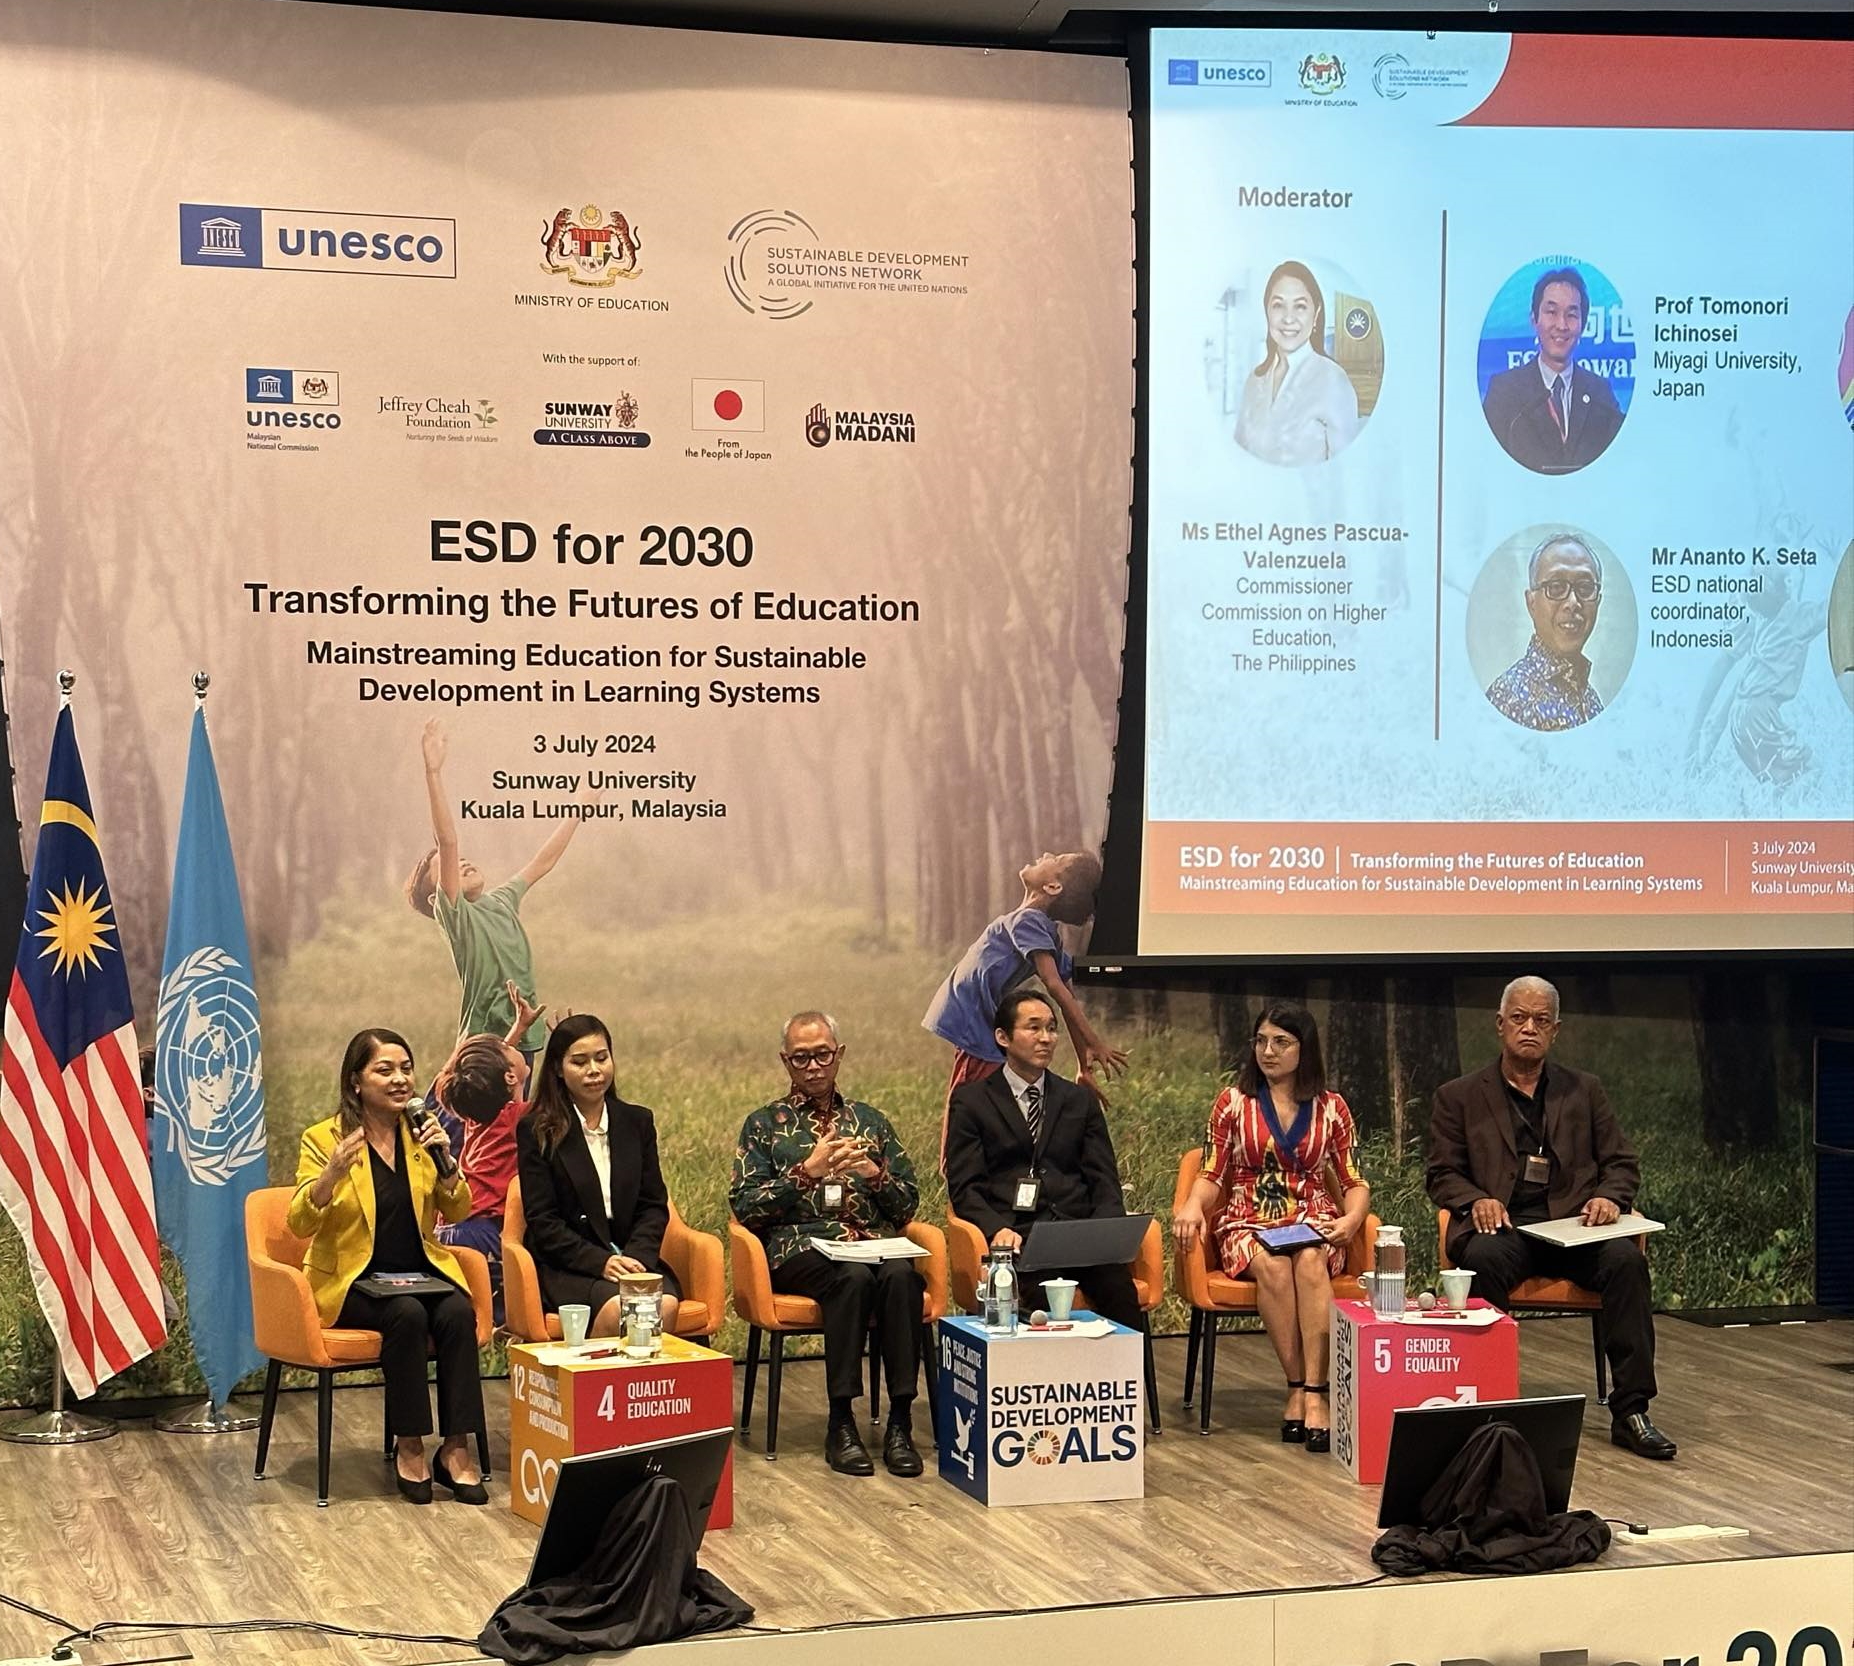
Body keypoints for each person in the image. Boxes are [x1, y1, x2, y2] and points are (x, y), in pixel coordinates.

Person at [1427, 976, 1675, 1460]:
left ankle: (1631, 1412)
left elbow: (1622, 1163)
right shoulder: (1459, 1096)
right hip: (1504, 1230)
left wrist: (1608, 1197)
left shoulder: (1584, 1091)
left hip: (1573, 1230)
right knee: (1481, 1259)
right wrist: (1475, 1200)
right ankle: (1491, 1406)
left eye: (1541, 1020)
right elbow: (1441, 1173)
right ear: (1500, 1025)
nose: (1529, 1028)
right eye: (1519, 1018)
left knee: (1626, 1262)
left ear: (1555, 1031)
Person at [287, 1028, 488, 1504]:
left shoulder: (422, 1134)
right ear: (356, 1081)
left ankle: (456, 1448)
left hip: (419, 1272)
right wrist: (331, 1174)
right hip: (353, 1281)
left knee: (457, 1313)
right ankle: (410, 1445)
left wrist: (447, 1163)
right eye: (385, 1070)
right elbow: (298, 1221)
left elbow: (458, 1210)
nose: (400, 1080)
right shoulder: (324, 1138)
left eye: (406, 1069)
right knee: (407, 1315)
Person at [729, 1012, 926, 1477]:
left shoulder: (870, 1121)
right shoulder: (764, 1125)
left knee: (902, 1277)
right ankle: (841, 1422)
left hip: (873, 1244)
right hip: (800, 1250)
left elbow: (907, 1206)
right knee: (851, 1279)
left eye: (822, 1055)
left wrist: (873, 1174)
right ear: (786, 1061)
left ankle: (900, 1422)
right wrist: (807, 1173)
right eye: (801, 1058)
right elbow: (746, 1207)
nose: (813, 1066)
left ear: (839, 1055)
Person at [1173, 1001, 1369, 1453]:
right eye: (1261, 1041)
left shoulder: (1332, 1107)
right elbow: (1211, 1173)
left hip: (1313, 1219)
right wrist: (1192, 1205)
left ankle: (1316, 1392)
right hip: (1248, 1221)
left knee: (1310, 1257)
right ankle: (1297, 1385)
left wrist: (1351, 1219)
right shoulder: (1232, 1103)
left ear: (1304, 1049)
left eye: (1281, 1042)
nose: (1268, 1051)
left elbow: (1354, 1181)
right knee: (1274, 1266)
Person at [943, 989, 1146, 1335]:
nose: (1046, 1038)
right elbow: (965, 1187)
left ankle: (1131, 1371)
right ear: (1003, 1037)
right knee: (1036, 1306)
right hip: (1018, 1241)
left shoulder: (1078, 1099)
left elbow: (1104, 1180)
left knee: (1119, 1293)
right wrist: (995, 1229)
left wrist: (1103, 1234)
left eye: (1052, 1028)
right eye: (1033, 1027)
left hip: (1078, 1238)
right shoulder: (972, 1101)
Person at [923, 849, 1127, 1158]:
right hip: (982, 1034)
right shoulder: (1041, 928)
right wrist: (1083, 1064)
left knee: (965, 1122)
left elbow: (1057, 987)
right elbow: (1067, 995)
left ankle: (960, 1180)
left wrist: (1093, 1042)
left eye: (1055, 859)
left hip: (977, 1033)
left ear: (1053, 887)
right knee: (991, 1118)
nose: (1045, 854)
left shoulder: (1028, 921)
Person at [409, 717, 578, 1054]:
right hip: (484, 1043)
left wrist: (579, 807)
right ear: (436, 898)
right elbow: (448, 840)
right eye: (448, 867)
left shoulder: (501, 900)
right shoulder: (456, 915)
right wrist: (433, 773)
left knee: (520, 1092)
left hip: (525, 1035)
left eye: (462, 859)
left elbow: (543, 861)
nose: (461, 863)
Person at [515, 1014, 682, 1342]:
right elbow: (543, 1221)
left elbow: (652, 1205)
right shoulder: (537, 1130)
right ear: (558, 1069)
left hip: (632, 1258)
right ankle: (593, 1375)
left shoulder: (637, 1122)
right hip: (570, 1264)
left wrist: (635, 1259)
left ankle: (639, 1379)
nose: (594, 1070)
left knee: (663, 1304)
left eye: (601, 1058)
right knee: (622, 1309)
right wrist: (602, 1262)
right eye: (580, 1062)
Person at [431, 981, 544, 1322]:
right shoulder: (517, 1117)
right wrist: (563, 1046)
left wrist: (518, 1029)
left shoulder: (476, 1113)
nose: (514, 1047)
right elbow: (558, 1096)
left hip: (452, 1226)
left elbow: (493, 1073)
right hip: (482, 1231)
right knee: (496, 1305)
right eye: (509, 1049)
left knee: (464, 1301)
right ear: (509, 1076)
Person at [1685, 572, 1831, 785]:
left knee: (1782, 780)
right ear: (1785, 588)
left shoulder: (1763, 622)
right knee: (1811, 770)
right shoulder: (1797, 617)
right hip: (1760, 714)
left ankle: (1774, 805)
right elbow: (1829, 608)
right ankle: (1789, 807)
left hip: (1738, 718)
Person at [1481, 267, 1624, 474]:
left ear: (1583, 325)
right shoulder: (1505, 391)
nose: (1561, 325)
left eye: (1571, 315)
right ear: (1534, 320)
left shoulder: (1600, 393)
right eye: (1551, 312)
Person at [1234, 260, 1361, 467]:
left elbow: (1346, 471)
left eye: (1300, 306)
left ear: (1316, 314)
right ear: (1267, 311)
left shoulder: (1334, 381)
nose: (1288, 318)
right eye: (1278, 305)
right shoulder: (1254, 381)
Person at [1485, 534, 1607, 731]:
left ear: (1598, 602)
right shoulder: (1508, 697)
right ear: (1531, 603)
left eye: (1585, 588)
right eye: (1556, 587)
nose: (1573, 602)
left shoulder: (1591, 699)